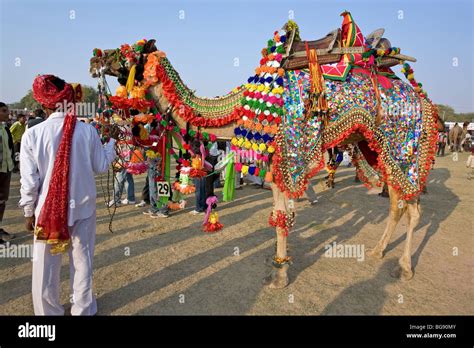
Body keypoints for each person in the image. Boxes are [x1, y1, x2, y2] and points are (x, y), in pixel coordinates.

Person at [19, 75, 117, 315]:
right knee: (83, 260)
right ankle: (83, 309)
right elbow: (102, 165)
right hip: (83, 207)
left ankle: (47, 311)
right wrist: (112, 140)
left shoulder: (33, 134)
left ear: (44, 104)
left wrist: (29, 211)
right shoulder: (87, 131)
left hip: (47, 211)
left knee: (45, 264)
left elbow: (30, 181)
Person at [0, 102, 15, 244]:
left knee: (2, 200)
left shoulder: (5, 128)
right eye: (4, 111)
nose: (7, 113)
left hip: (6, 169)